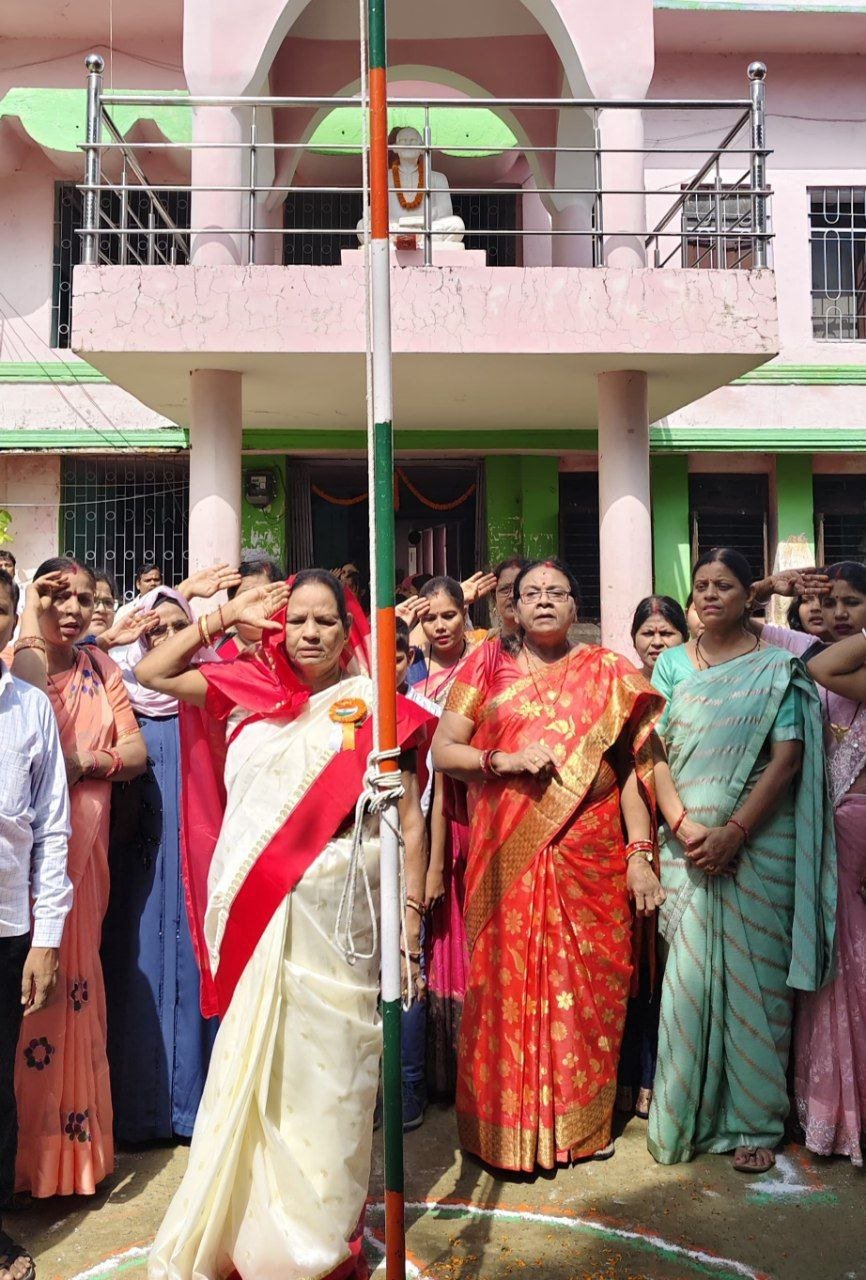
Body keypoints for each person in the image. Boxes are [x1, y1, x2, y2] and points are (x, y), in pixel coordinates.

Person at [135, 570, 432, 1280]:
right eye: (297, 618)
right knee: (261, 1079)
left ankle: (322, 1244)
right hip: (263, 915)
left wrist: (410, 927)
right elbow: (151, 669)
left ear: (346, 630)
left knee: (334, 1086)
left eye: (325, 621)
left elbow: (413, 822)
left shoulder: (372, 709)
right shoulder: (242, 690)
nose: (309, 632)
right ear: (277, 624)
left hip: (346, 916)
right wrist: (222, 615)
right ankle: (252, 1239)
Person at [433, 558, 665, 1170]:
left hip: (591, 860)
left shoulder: (607, 673)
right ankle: (503, 1133)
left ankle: (580, 1131)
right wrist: (503, 762)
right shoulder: (484, 665)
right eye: (529, 592)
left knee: (587, 992)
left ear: (575, 606)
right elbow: (443, 750)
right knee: (504, 993)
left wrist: (640, 853)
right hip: (505, 856)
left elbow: (637, 772)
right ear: (510, 606)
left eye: (556, 592)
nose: (542, 601)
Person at [648, 547, 836, 1174]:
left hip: (759, 841)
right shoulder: (671, 665)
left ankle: (755, 1121)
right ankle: (684, 1117)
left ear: (746, 595)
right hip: (686, 843)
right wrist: (682, 825)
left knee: (757, 983)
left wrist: (733, 831)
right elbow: (653, 754)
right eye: (699, 585)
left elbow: (787, 758)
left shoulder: (779, 666)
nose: (708, 596)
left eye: (723, 586)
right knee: (688, 982)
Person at [10, 559, 146, 1198]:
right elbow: (33, 680)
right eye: (57, 597)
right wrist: (32, 625)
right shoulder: (19, 665)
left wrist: (88, 761)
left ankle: (73, 1163)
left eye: (84, 599)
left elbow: (137, 752)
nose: (72, 610)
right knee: (28, 1006)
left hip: (83, 857)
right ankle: (26, 1165)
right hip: (29, 862)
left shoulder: (100, 669)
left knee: (78, 986)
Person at [100, 588, 219, 1144]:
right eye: (153, 630)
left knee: (197, 975)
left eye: (177, 627)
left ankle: (194, 1108)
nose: (165, 638)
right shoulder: (116, 704)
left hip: (200, 873)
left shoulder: (211, 696)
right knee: (138, 971)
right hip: (137, 876)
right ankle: (138, 1114)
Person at [0, 568, 71, 1280]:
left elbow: (51, 831)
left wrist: (45, 939)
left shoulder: (29, 709)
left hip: (5, 924)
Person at [788, 563, 866, 1166]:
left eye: (855, 603)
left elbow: (821, 664)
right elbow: (723, 623)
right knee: (830, 969)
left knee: (854, 970)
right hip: (822, 835)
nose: (840, 613)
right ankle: (828, 1115)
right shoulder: (826, 663)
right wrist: (769, 590)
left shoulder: (843, 667)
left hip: (858, 831)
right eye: (833, 603)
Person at [406, 576, 482, 1100]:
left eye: (448, 615)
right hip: (420, 817)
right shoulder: (409, 676)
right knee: (429, 937)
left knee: (465, 924)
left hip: (464, 817)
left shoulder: (480, 671)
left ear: (464, 615)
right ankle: (431, 1074)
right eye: (430, 618)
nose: (439, 626)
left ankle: (471, 1067)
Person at [615, 595, 690, 1123]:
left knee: (673, 965)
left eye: (667, 632)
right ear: (634, 638)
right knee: (635, 962)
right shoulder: (623, 693)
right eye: (648, 632)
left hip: (687, 835)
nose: (657, 641)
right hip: (634, 835)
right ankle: (633, 1078)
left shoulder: (696, 689)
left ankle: (659, 1077)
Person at [217, 556, 284, 658]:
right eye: (246, 597)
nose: (253, 606)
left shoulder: (293, 650)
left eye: (262, 597)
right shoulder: (211, 653)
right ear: (231, 602)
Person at [630, 595, 689, 681]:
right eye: (648, 633)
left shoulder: (699, 685)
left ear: (685, 638)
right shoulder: (623, 687)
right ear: (633, 637)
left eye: (666, 634)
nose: (657, 643)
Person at [490, 558, 528, 639]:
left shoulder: (547, 643)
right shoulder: (479, 643)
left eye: (518, 588)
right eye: (504, 589)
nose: (512, 595)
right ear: (494, 597)